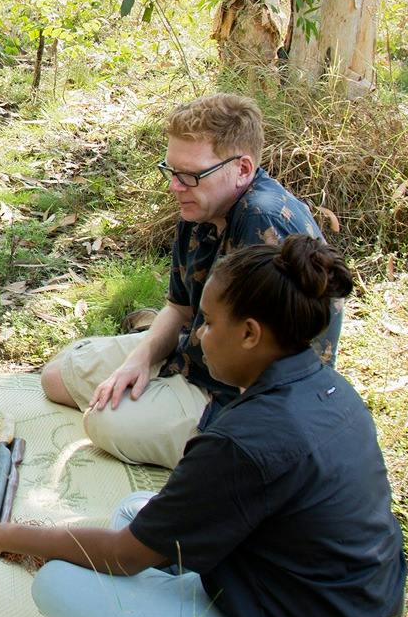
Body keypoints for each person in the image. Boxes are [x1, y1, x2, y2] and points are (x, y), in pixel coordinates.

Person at [0, 237, 404, 617]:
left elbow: (125, 556)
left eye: (208, 322)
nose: (199, 336)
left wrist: (1, 536)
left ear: (250, 334)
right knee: (140, 508)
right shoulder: (329, 390)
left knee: (59, 585)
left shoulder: (246, 441)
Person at [40, 92, 338, 468]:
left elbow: (271, 361)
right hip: (195, 350)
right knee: (56, 376)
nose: (175, 187)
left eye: (190, 175)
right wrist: (141, 359)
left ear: (243, 169)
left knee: (104, 422)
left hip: (238, 391)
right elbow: (179, 307)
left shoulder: (265, 224)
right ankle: (156, 389)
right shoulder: (199, 207)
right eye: (171, 172)